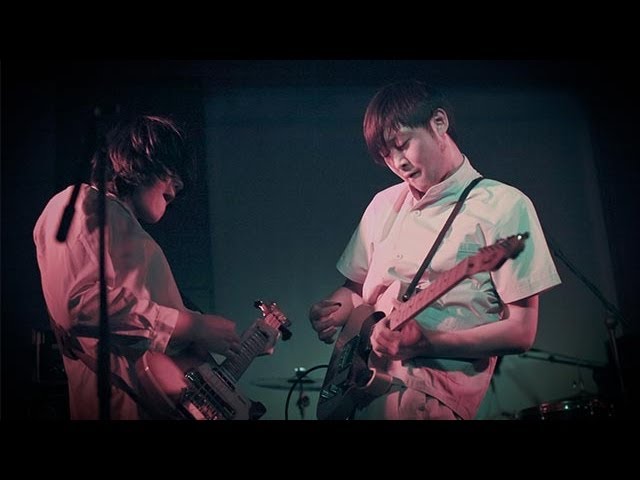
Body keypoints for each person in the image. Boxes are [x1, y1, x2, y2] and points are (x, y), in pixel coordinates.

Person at [309, 80, 561, 420]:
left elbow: (521, 331)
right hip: (363, 387)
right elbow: (356, 290)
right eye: (385, 156)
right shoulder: (382, 204)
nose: (397, 162)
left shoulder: (504, 205)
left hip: (431, 399)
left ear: (438, 123)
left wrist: (429, 342)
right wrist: (334, 310)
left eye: (402, 145)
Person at [34, 115, 247, 420]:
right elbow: (79, 303)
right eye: (170, 169)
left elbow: (154, 339)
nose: (180, 184)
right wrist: (193, 326)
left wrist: (207, 334)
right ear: (138, 158)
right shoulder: (80, 201)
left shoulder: (132, 233)